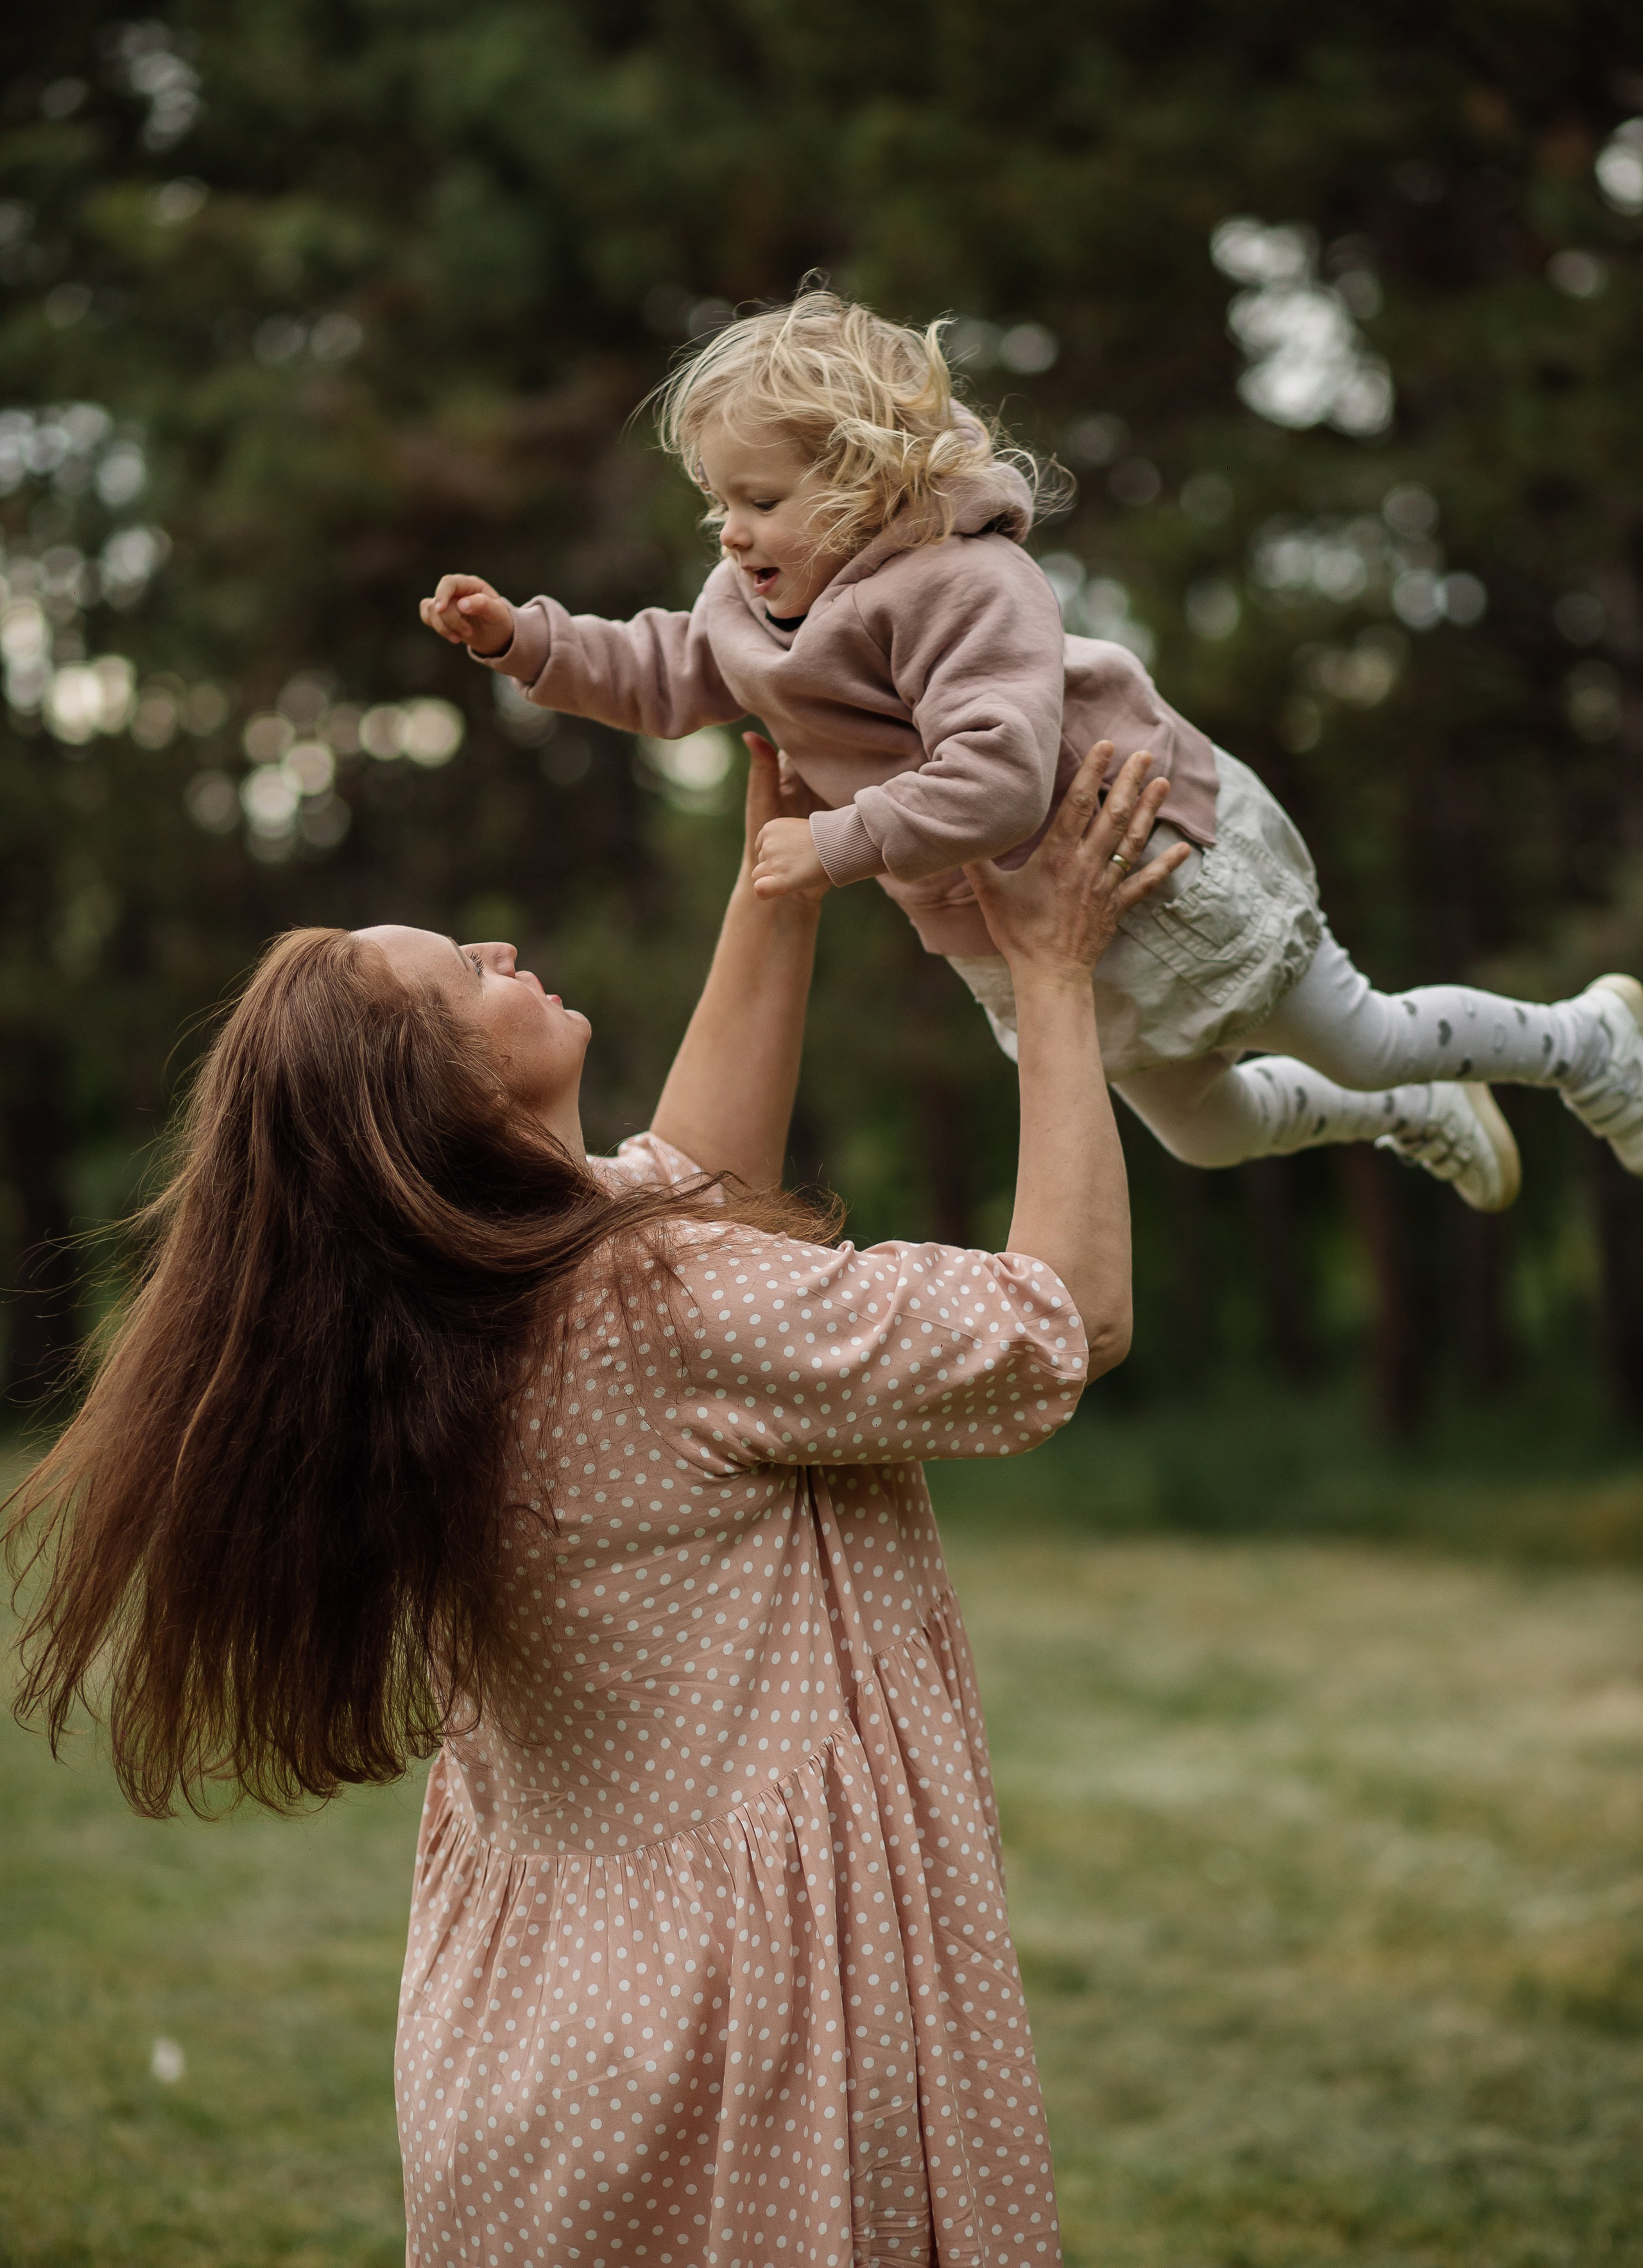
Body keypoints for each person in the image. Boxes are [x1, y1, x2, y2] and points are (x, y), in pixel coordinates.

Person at [8, 730, 1181, 2268]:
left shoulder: (469, 1304)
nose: (502, 949)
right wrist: (1052, 973)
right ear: (437, 1091)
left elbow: (694, 1170)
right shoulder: (654, 1298)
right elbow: (1061, 1321)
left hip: (532, 2032)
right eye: (462, 976)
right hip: (744, 2026)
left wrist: (783, 874)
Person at [421, 287, 1643, 1217]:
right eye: (719, 505)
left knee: (1362, 1035)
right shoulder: (755, 602)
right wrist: (525, 642)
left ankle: (1588, 1043)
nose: (733, 535)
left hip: (1146, 868)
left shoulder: (968, 584)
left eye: (761, 500)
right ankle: (1412, 1111)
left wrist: (840, 841)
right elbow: (668, 667)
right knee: (1205, 1133)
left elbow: (1001, 775)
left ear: (865, 476)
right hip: (1020, 926)